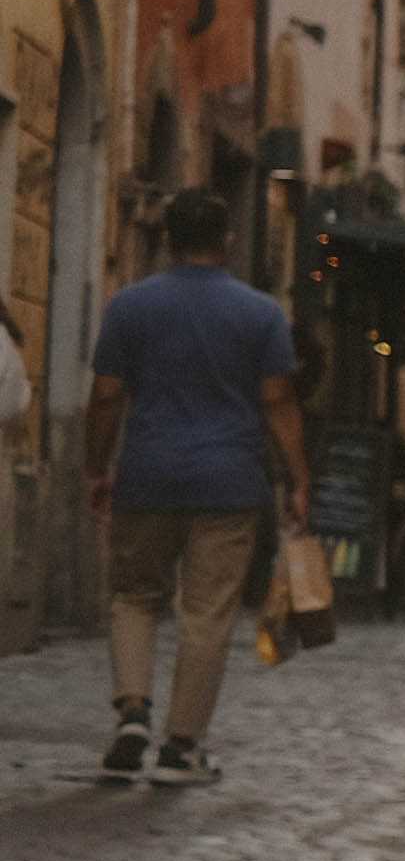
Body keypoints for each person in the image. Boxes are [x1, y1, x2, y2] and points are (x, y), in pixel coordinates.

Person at [80, 190, 303, 784]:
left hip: (147, 473)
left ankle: (132, 709)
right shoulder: (261, 314)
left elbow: (105, 396)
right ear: (226, 241)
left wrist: (96, 467)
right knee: (207, 613)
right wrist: (299, 480)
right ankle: (181, 746)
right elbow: (279, 403)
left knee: (134, 596)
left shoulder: (129, 306)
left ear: (169, 239)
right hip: (228, 485)